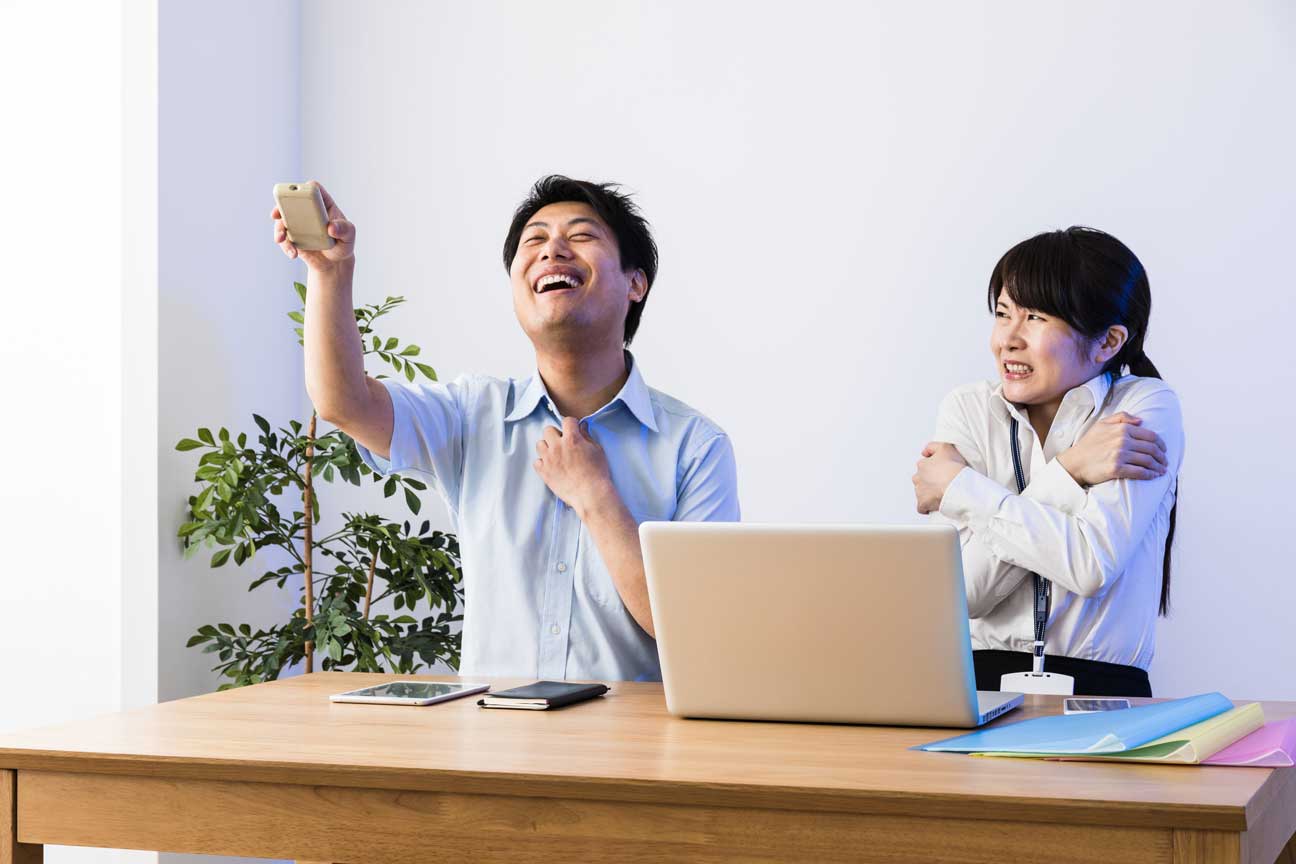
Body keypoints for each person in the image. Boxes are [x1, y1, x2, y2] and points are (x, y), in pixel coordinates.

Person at [272, 175, 740, 683]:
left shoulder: (696, 447)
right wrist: (330, 273)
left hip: (635, 755)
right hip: (492, 745)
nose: (552, 249)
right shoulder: (472, 414)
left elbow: (697, 633)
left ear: (635, 282)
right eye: (533, 240)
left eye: (581, 235)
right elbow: (344, 403)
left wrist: (595, 496)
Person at [912, 226, 1182, 697]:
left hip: (1105, 694)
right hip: (976, 686)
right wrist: (1074, 468)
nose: (1008, 340)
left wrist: (961, 488)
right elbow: (962, 595)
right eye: (1002, 314)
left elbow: (1090, 565)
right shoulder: (968, 409)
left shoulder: (1142, 407)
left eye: (1035, 317)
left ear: (1108, 342)